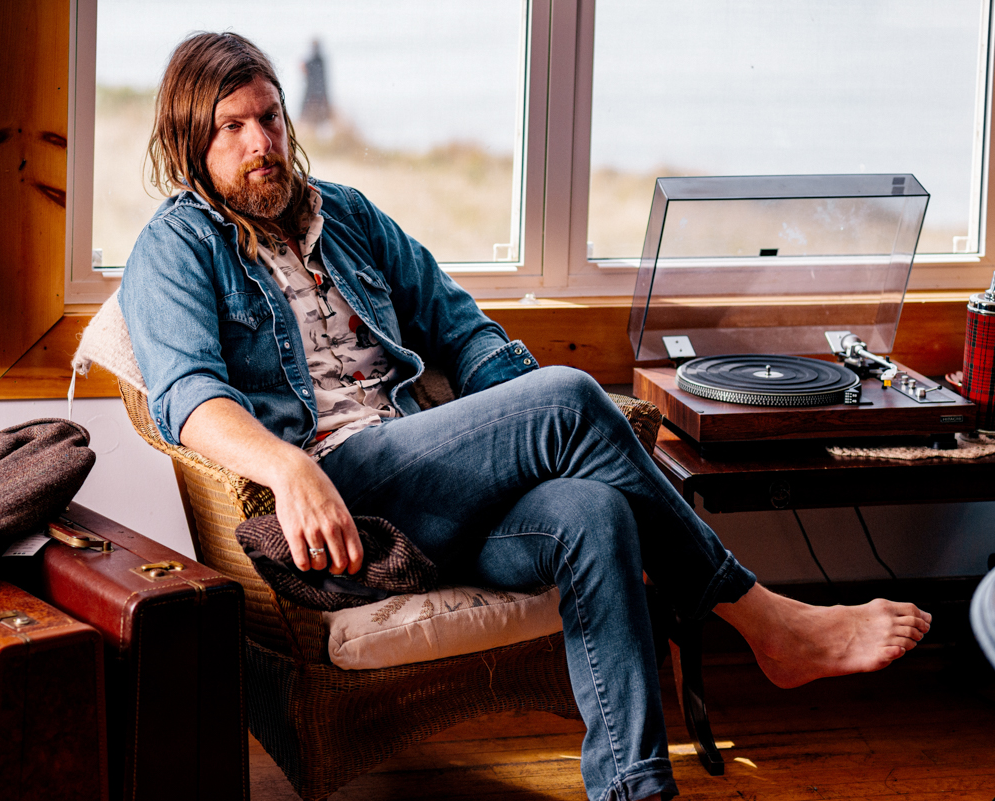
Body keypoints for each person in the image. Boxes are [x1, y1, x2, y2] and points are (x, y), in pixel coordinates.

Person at [119, 31, 932, 801]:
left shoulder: (348, 216)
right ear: (192, 140)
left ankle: (634, 786)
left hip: (432, 483)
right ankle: (764, 620)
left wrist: (523, 436)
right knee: (570, 398)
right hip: (340, 498)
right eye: (232, 127)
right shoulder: (177, 246)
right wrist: (289, 467)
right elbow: (189, 396)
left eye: (269, 116)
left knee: (593, 510)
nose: (262, 142)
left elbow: (462, 328)